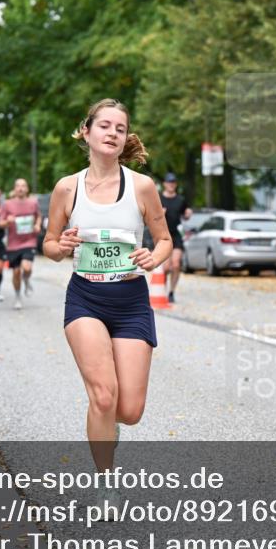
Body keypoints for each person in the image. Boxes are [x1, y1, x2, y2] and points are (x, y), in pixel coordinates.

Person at [42, 98, 171, 505]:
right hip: (86, 298)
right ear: (87, 131)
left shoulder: (141, 187)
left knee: (128, 410)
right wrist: (59, 246)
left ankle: (105, 423)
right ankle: (106, 484)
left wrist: (154, 256)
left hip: (131, 299)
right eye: (105, 126)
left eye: (120, 127)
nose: (112, 132)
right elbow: (49, 243)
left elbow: (165, 239)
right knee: (103, 395)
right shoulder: (67, 187)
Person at [0, 178, 40, 310]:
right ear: (14, 189)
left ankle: (26, 279)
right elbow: (0, 223)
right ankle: (17, 296)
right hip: (13, 244)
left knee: (27, 268)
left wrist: (38, 225)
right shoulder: (7, 204)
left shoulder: (33, 203)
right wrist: (7, 221)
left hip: (29, 241)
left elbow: (38, 216)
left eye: (23, 186)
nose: (21, 188)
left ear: (27, 189)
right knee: (16, 272)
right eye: (18, 186)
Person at [159, 172, 192, 303]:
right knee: (166, 268)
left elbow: (186, 214)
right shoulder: (159, 199)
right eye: (169, 182)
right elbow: (150, 216)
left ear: (175, 184)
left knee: (176, 265)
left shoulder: (180, 200)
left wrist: (188, 214)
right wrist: (160, 214)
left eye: (173, 182)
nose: (171, 184)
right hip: (163, 235)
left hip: (176, 235)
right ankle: (162, 288)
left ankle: (171, 292)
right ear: (164, 184)